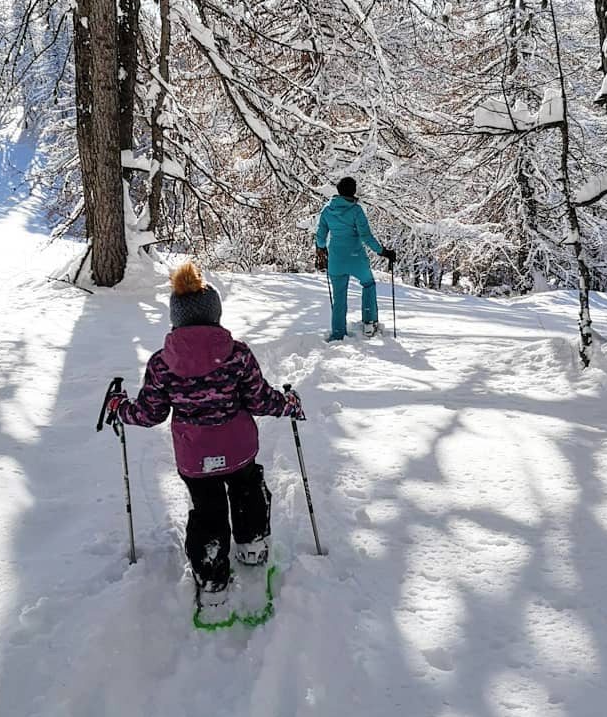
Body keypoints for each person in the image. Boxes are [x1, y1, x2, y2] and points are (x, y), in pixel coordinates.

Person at [105, 261, 305, 608]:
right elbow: (259, 398)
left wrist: (119, 409)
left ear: (175, 318)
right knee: (247, 490)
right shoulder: (238, 354)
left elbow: (150, 412)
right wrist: (287, 403)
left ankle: (211, 573)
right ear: (216, 314)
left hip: (195, 457)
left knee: (207, 509)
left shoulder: (161, 364)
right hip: (239, 448)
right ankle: (253, 544)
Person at [315, 176, 396, 341]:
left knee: (339, 298)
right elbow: (366, 236)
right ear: (353, 191)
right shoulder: (356, 210)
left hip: (336, 260)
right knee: (368, 284)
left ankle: (338, 333)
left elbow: (320, 238)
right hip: (356, 258)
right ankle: (369, 323)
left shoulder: (327, 210)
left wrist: (322, 249)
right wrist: (383, 252)